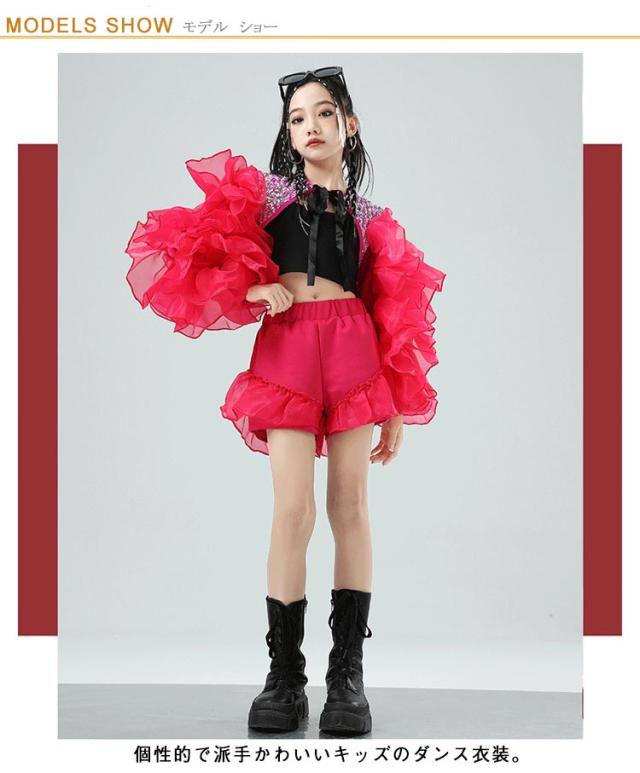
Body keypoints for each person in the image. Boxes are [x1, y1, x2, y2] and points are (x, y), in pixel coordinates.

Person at [124, 66, 446, 737]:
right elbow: (188, 247)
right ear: (288, 135)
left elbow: (394, 311)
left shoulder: (371, 218)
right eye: (297, 118)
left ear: (348, 125)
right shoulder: (268, 196)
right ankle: (285, 677)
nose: (310, 126)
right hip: (288, 349)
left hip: (354, 348)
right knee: (292, 509)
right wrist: (250, 290)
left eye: (324, 113)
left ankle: (347, 678)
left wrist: (395, 401)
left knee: (350, 506)